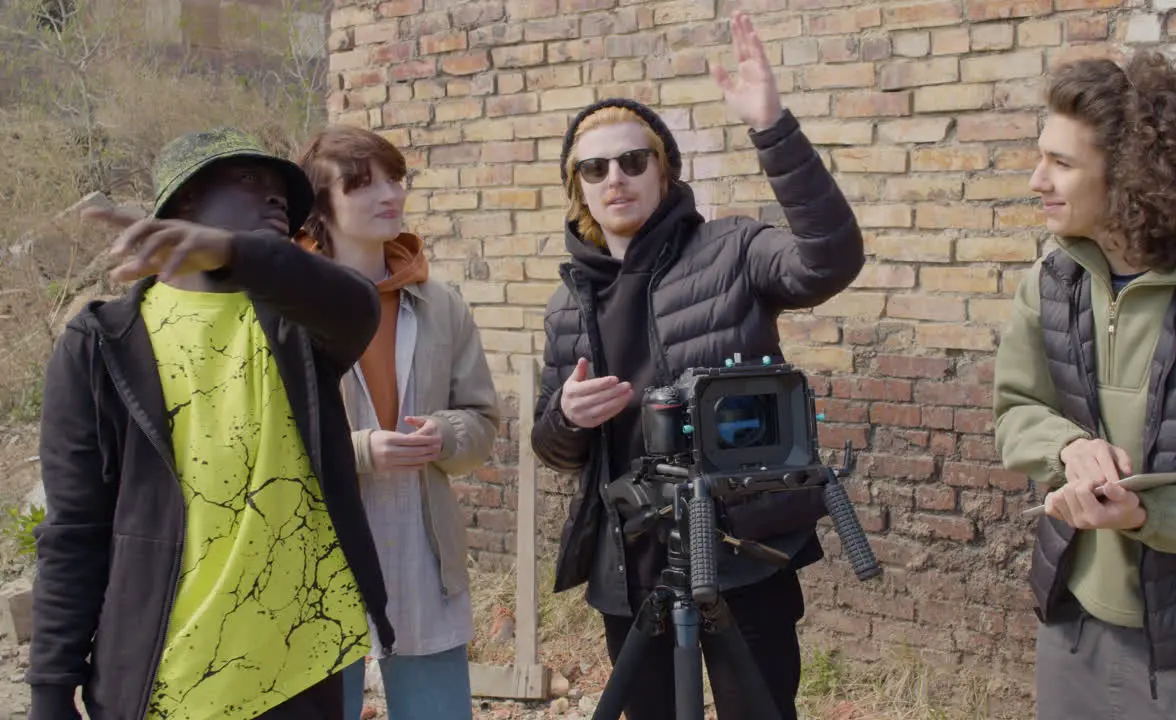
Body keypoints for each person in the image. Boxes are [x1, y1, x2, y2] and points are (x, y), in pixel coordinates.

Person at [530, 11, 864, 720]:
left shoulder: (732, 250)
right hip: (629, 563)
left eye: (632, 160)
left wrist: (772, 127)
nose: (614, 177)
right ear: (578, 188)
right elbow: (550, 445)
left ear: (664, 168)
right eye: (594, 168)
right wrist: (566, 417)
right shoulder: (567, 305)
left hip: (741, 549)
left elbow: (829, 259)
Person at [25, 127, 395, 720]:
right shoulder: (101, 344)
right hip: (165, 677)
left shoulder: (298, 322)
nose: (275, 197)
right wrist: (49, 686)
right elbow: (74, 528)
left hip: (301, 666)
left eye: (283, 191)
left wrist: (232, 253)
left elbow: (357, 306)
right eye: (250, 180)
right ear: (186, 202)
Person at [993, 50, 1176, 719]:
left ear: (1128, 175)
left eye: (1061, 163)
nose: (1038, 180)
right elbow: (1015, 411)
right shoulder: (1048, 284)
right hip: (1070, 623)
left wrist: (1144, 512)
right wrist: (1068, 447)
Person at [293, 125, 499, 719]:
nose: (389, 195)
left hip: (422, 537)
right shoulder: (289, 307)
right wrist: (358, 449)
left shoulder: (441, 304)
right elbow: (260, 436)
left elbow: (482, 420)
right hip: (319, 545)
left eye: (394, 179)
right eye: (361, 184)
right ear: (322, 207)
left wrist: (443, 435)